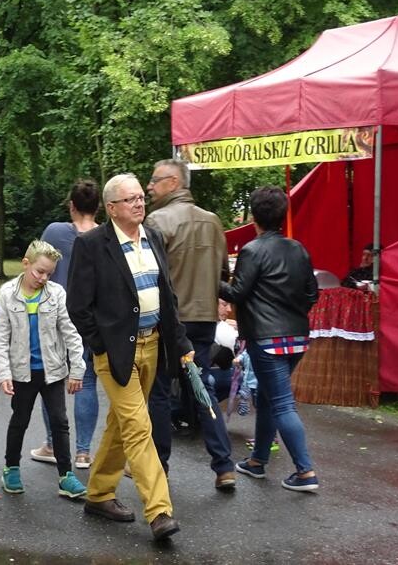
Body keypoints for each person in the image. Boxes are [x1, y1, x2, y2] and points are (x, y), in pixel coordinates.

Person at [67, 173, 193, 542]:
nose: (140, 203)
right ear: (111, 208)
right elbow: (78, 305)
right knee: (139, 427)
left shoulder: (152, 236)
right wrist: (100, 345)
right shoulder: (92, 244)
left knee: (121, 425)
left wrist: (181, 343)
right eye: (131, 200)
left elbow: (166, 294)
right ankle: (159, 511)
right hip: (116, 352)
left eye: (141, 197)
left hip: (154, 345)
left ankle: (99, 494)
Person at [219, 185, 321, 493]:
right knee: (267, 398)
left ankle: (305, 472)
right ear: (283, 215)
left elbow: (237, 294)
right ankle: (257, 461)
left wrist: (211, 281)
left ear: (253, 217)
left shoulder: (252, 250)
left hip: (266, 340)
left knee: (280, 403)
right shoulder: (298, 249)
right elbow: (312, 294)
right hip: (297, 339)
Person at [144, 158, 236, 490]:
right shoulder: (213, 222)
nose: (149, 187)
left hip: (170, 319)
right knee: (201, 387)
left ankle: (159, 464)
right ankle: (224, 466)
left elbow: (148, 273)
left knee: (158, 390)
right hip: (204, 319)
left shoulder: (156, 220)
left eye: (154, 181)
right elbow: (223, 272)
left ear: (173, 182)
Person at [0, 240, 88, 500]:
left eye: (49, 273)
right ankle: (11, 468)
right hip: (22, 373)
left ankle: (66, 475)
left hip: (53, 371)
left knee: (60, 421)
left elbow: (70, 333)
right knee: (19, 420)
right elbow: (0, 337)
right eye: (39, 272)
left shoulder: (56, 293)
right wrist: (3, 374)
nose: (44, 278)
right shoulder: (8, 293)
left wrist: (77, 369)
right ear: (26, 264)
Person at [31, 178, 100, 470]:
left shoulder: (55, 232)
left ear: (71, 205)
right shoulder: (107, 236)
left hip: (56, 317)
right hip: (93, 320)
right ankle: (84, 452)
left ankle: (52, 444)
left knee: (53, 383)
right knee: (88, 383)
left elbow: (37, 268)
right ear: (98, 208)